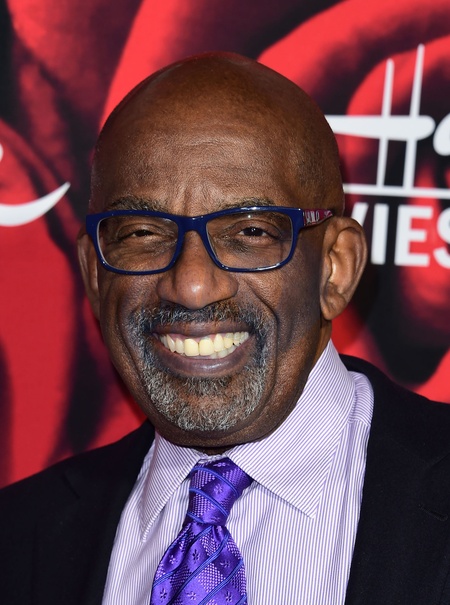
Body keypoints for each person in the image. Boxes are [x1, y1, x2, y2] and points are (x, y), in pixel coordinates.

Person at [1, 52, 450, 605]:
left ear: (335, 268)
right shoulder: (19, 539)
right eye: (142, 233)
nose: (191, 285)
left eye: (251, 231)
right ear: (95, 274)